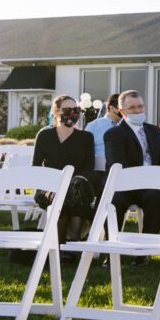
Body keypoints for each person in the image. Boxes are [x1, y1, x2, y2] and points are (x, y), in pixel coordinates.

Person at [104, 90, 160, 235]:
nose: (137, 111)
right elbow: (117, 165)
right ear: (122, 111)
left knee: (158, 197)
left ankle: (144, 250)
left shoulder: (154, 131)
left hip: (151, 187)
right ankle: (112, 249)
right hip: (125, 186)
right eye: (132, 108)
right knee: (114, 200)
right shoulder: (114, 134)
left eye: (140, 107)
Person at [32, 95, 97, 244]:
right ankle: (70, 243)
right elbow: (36, 166)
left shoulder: (86, 137)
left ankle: (60, 244)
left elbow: (89, 167)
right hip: (49, 188)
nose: (73, 114)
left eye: (76, 110)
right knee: (64, 196)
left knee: (75, 188)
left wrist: (72, 183)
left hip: (78, 186)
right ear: (56, 112)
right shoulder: (44, 135)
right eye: (68, 110)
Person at [85, 93, 121, 170]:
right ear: (112, 108)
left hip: (123, 170)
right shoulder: (93, 125)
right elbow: (85, 151)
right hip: (100, 171)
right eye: (120, 108)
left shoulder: (127, 126)